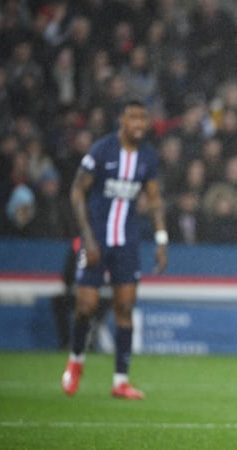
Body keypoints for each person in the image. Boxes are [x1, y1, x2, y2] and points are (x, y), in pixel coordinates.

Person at [61, 99, 168, 399]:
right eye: (133, 117)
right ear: (121, 119)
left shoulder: (147, 156)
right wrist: (87, 238)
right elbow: (77, 191)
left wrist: (161, 239)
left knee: (125, 307)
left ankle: (120, 380)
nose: (139, 124)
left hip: (127, 241)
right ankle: (76, 361)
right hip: (95, 239)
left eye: (143, 118)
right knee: (85, 305)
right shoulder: (102, 150)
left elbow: (154, 200)